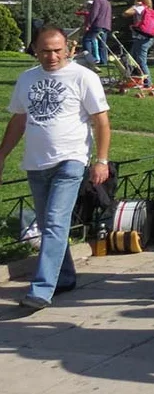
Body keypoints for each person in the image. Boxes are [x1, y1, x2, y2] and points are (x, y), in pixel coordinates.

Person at [0, 26, 110, 310]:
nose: (52, 56)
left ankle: (41, 289)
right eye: (45, 50)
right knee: (51, 225)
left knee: (55, 223)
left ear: (69, 49)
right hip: (36, 163)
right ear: (35, 50)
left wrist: (101, 160)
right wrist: (2, 155)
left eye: (57, 50)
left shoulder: (83, 77)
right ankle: (65, 276)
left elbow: (101, 121)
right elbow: (18, 121)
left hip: (70, 160)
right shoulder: (26, 79)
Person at [123, 0, 154, 88]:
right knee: (132, 58)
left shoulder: (139, 8)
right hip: (148, 37)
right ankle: (135, 79)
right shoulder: (149, 10)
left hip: (141, 37)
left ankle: (148, 83)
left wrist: (135, 6)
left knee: (141, 61)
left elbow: (125, 13)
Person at [82, 0, 112, 66]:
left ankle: (88, 59)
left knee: (87, 39)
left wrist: (88, 24)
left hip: (98, 24)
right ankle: (104, 60)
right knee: (102, 43)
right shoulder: (107, 2)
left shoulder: (97, 0)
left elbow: (94, 13)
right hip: (106, 25)